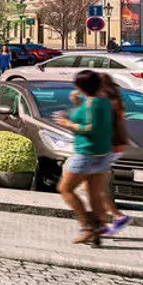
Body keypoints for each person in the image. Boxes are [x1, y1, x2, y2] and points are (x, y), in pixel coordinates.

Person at [52, 70, 114, 245]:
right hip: (102, 154)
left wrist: (68, 123)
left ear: (81, 86)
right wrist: (77, 102)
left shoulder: (91, 104)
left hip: (86, 153)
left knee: (65, 189)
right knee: (94, 194)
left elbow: (89, 127)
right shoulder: (104, 102)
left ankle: (86, 225)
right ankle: (96, 232)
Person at [96, 75, 132, 237]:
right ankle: (103, 222)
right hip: (116, 147)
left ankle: (117, 217)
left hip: (107, 147)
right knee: (97, 185)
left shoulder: (105, 101)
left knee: (96, 186)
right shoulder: (115, 100)